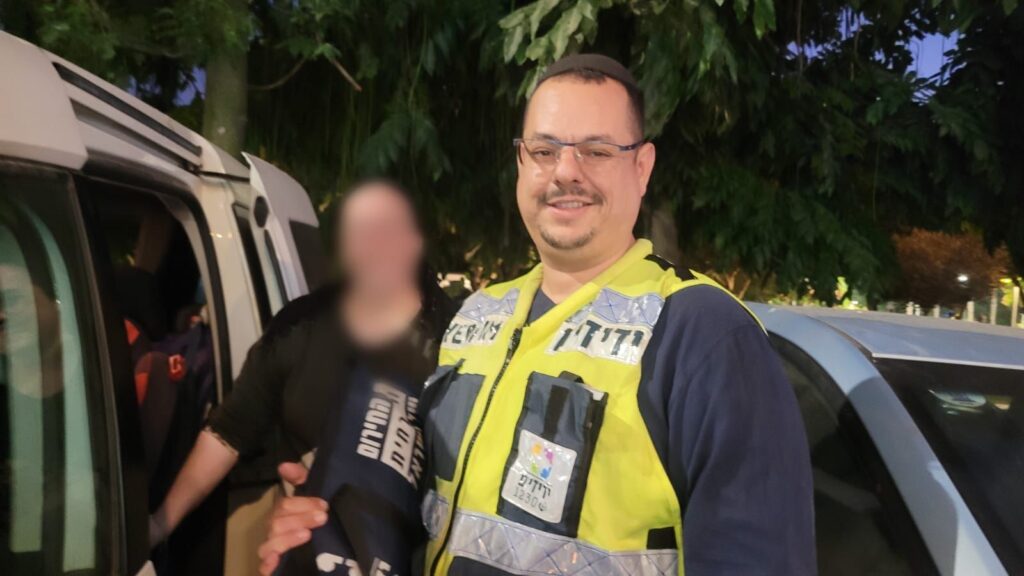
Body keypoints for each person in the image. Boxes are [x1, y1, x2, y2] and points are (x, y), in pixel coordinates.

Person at [261, 54, 816, 576]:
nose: (565, 171)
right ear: (521, 162)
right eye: (545, 149)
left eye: (597, 151)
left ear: (642, 167)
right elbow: (426, 514)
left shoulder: (705, 336)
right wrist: (338, 513)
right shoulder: (476, 318)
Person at [149, 179, 456, 561]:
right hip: (306, 547)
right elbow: (227, 433)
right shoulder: (301, 326)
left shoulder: (460, 341)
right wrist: (160, 523)